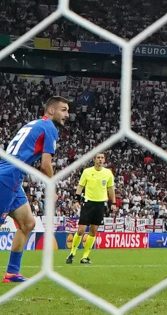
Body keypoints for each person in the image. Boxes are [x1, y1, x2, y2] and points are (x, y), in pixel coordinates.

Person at [1, 96, 70, 282]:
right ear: (51, 110)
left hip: (13, 176)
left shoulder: (33, 124)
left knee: (28, 224)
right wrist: (52, 187)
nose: (67, 114)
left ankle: (12, 272)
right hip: (8, 177)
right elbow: (46, 165)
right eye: (63, 110)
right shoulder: (49, 128)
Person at [66, 152, 116, 264]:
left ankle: (85, 256)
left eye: (102, 158)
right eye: (98, 157)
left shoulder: (108, 173)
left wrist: (113, 203)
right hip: (88, 203)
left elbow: (111, 189)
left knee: (93, 231)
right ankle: (72, 253)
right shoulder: (87, 171)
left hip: (100, 205)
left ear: (104, 160)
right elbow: (80, 186)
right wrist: (76, 200)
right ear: (94, 159)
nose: (100, 159)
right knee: (81, 230)